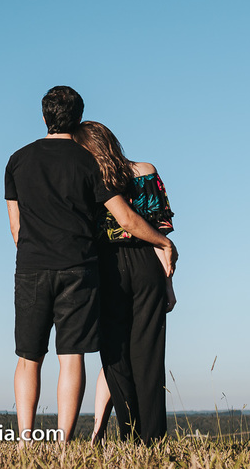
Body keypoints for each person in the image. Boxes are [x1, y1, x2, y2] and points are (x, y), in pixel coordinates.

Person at [4, 87, 177, 444]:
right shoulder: (89, 164)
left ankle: (25, 441)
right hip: (84, 266)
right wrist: (163, 244)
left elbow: (16, 229)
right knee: (75, 357)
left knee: (31, 357)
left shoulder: (17, 160)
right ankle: (66, 443)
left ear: (43, 116)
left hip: (42, 265)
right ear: (79, 117)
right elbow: (127, 218)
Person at [72, 120, 175, 444]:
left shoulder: (87, 179)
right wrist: (169, 285)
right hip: (147, 262)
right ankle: (153, 438)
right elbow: (160, 231)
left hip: (106, 267)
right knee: (150, 354)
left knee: (115, 356)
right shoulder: (145, 170)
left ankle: (129, 436)